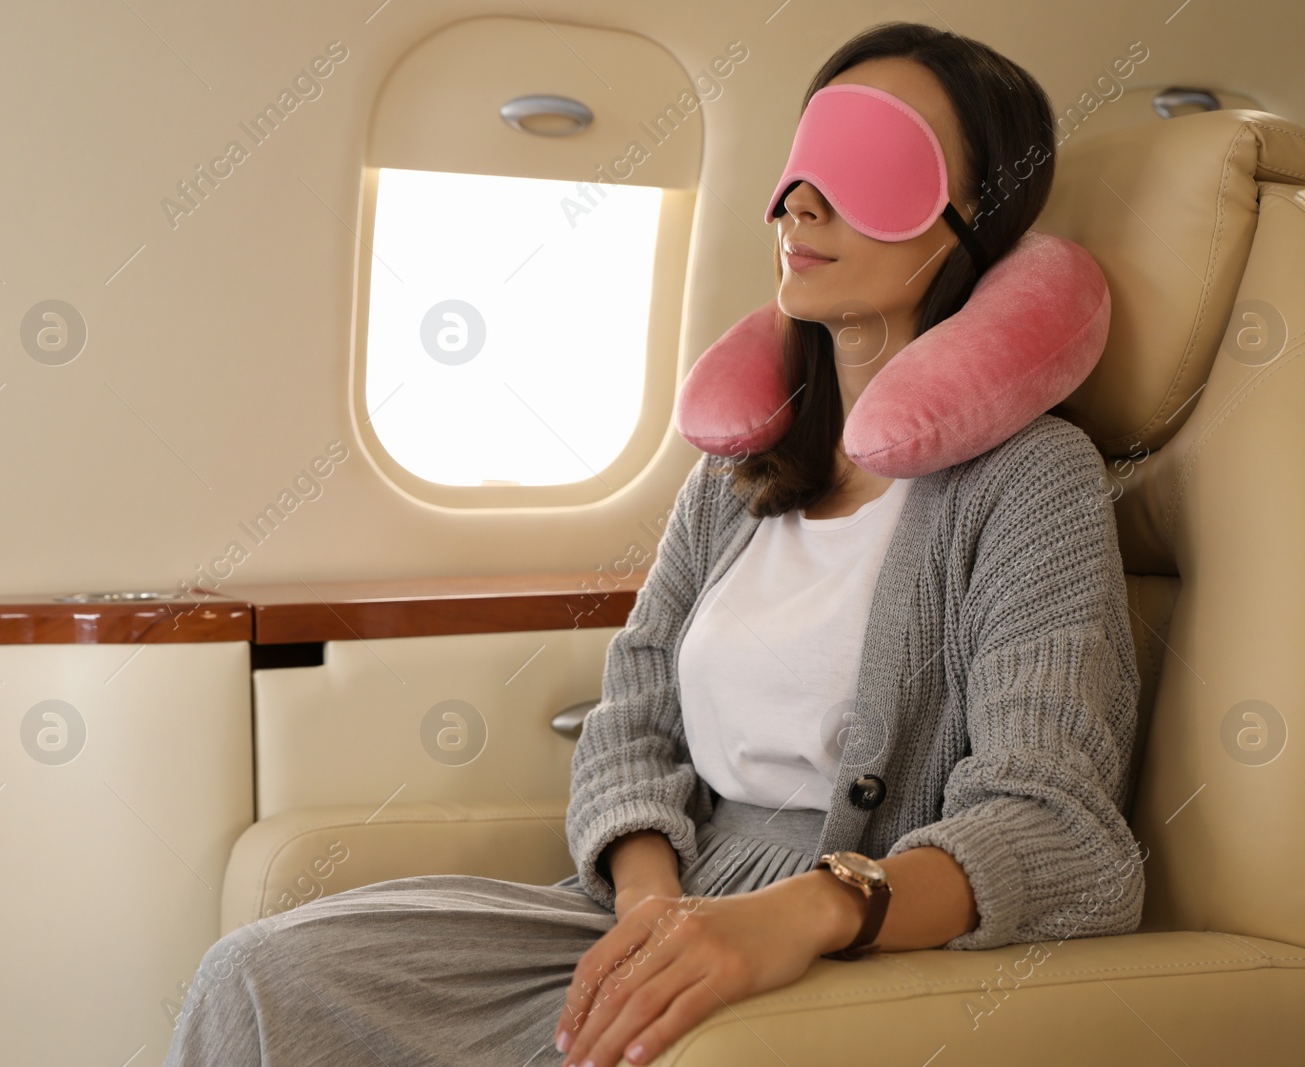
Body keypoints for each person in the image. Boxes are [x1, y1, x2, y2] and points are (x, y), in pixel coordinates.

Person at [162, 21, 1144, 1067]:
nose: (797, 204)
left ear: (969, 221)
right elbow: (630, 717)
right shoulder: (739, 476)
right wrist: (650, 904)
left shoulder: (1033, 482)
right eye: (802, 162)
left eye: (865, 165)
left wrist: (803, 912)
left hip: (841, 936)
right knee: (260, 980)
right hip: (654, 904)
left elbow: (1054, 830)